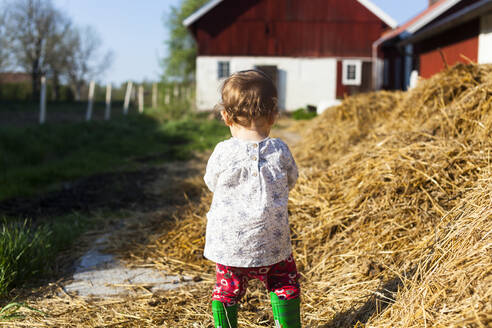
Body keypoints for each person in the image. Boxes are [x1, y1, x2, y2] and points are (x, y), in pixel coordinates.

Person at [204, 70, 301, 328]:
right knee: (284, 284)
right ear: (273, 116)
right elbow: (291, 179)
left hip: (230, 247)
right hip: (273, 244)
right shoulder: (279, 150)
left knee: (226, 291)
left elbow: (211, 182)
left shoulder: (222, 152)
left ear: (225, 116)